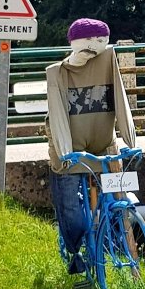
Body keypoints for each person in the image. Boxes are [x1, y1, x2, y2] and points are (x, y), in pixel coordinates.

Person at [45, 18, 136, 274]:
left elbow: (120, 97)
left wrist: (130, 139)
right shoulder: (57, 72)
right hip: (70, 146)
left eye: (100, 41)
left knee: (120, 203)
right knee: (71, 210)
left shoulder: (108, 59)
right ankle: (76, 251)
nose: (95, 46)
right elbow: (58, 117)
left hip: (104, 142)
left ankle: (117, 251)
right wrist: (66, 153)